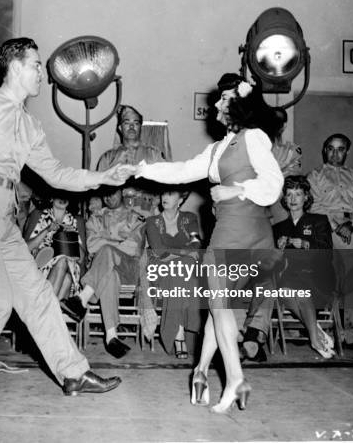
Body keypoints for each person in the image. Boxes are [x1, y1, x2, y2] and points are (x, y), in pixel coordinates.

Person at [0, 37, 130, 401]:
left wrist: (101, 178)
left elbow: (55, 173)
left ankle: (73, 374)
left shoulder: (31, 126)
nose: (41, 73)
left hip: (4, 213)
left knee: (38, 295)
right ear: (15, 67)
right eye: (36, 65)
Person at [125, 74, 283, 413]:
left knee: (219, 303)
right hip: (249, 234)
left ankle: (236, 378)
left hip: (237, 229)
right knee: (219, 307)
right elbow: (182, 170)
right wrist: (141, 169)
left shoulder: (253, 137)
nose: (216, 104)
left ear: (240, 103)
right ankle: (199, 373)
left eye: (225, 98)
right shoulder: (218, 149)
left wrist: (237, 190)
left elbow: (274, 183)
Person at [60, 187, 145, 358]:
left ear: (121, 192)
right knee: (109, 274)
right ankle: (111, 336)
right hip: (105, 271)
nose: (109, 196)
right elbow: (91, 246)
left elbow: (134, 247)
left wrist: (106, 242)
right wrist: (119, 240)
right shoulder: (95, 218)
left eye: (113, 191)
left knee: (106, 250)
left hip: (129, 269)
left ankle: (82, 299)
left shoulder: (135, 217)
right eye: (105, 193)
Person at [307, 134, 353, 349]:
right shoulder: (314, 176)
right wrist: (335, 226)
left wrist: (351, 223)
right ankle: (326, 334)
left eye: (340, 149)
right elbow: (315, 206)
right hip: (327, 230)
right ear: (325, 150)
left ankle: (352, 336)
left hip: (351, 231)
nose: (335, 154)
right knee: (326, 283)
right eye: (331, 149)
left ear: (347, 151)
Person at [273, 175, 336, 358]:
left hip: (318, 277)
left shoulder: (319, 221)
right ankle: (314, 329)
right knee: (283, 288)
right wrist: (278, 248)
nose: (293, 199)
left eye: (298, 194)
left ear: (306, 197)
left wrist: (306, 244)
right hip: (290, 278)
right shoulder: (278, 228)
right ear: (284, 198)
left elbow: (327, 253)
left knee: (297, 287)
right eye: (289, 194)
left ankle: (315, 340)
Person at [145, 186, 202, 358]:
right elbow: (159, 250)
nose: (165, 197)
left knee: (183, 271)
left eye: (170, 193)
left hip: (182, 271)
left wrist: (177, 254)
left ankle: (178, 332)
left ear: (181, 199)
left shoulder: (190, 218)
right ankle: (181, 334)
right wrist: (184, 252)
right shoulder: (152, 221)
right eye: (163, 193)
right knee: (185, 268)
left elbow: (196, 244)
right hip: (159, 269)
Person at [97, 105, 165, 216]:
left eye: (136, 123)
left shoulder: (154, 154)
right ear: (120, 128)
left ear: (140, 127)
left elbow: (166, 184)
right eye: (127, 123)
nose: (132, 127)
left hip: (147, 216)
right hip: (117, 219)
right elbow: (100, 190)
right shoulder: (107, 157)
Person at [23, 191, 87, 300]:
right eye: (59, 194)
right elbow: (24, 249)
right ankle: (51, 310)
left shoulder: (76, 221)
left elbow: (81, 260)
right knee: (66, 277)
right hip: (40, 267)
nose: (63, 198)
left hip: (69, 270)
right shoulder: (38, 215)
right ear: (52, 198)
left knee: (67, 273)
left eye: (66, 194)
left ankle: (46, 310)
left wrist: (72, 237)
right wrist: (47, 230)